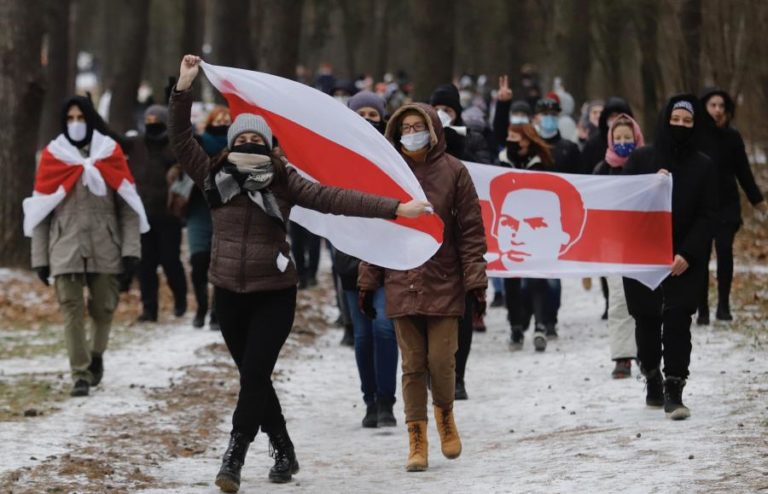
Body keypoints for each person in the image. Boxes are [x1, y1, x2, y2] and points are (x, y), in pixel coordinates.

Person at [170, 55, 430, 492]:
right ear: (232, 142)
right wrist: (183, 87)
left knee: (254, 375)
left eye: (258, 137)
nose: (250, 142)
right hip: (229, 292)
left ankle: (233, 456)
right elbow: (180, 140)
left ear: (269, 144)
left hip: (275, 293)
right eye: (243, 137)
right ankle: (284, 449)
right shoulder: (213, 176)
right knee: (255, 378)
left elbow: (335, 198)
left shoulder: (283, 180)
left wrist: (396, 209)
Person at [358, 103, 487, 472]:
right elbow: (376, 232)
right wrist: (368, 282)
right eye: (406, 127)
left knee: (441, 361)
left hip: (444, 279)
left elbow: (471, 232)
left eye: (419, 126)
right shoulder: (389, 174)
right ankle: (417, 438)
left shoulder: (455, 172)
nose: (412, 132)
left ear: (432, 130)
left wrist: (475, 282)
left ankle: (445, 417)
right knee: (413, 365)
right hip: (402, 279)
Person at [26, 95, 144, 397]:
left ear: (90, 120)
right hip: (64, 247)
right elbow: (40, 211)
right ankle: (79, 373)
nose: (75, 124)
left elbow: (128, 206)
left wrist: (131, 250)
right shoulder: (54, 156)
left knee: (104, 308)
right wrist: (40, 257)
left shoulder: (110, 153)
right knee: (71, 311)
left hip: (106, 245)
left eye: (80, 118)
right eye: (70, 118)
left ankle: (96, 355)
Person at [622, 95, 717, 421]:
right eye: (675, 118)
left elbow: (708, 215)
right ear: (665, 120)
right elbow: (623, 206)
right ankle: (651, 376)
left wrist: (688, 254)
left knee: (678, 320)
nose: (680, 125)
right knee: (646, 320)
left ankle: (675, 389)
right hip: (643, 257)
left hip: (684, 258)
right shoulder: (641, 160)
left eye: (687, 121)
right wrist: (649, 187)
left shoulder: (704, 165)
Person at [339, 90, 399, 428]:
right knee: (362, 335)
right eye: (359, 115)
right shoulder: (337, 155)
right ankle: (370, 399)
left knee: (384, 328)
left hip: (388, 256)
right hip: (350, 257)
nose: (367, 121)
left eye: (373, 116)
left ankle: (388, 401)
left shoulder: (393, 157)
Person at [430, 82, 492, 399]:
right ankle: (436, 371)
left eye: (449, 110)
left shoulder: (473, 140)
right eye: (438, 109)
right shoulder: (420, 143)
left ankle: (458, 376)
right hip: (431, 241)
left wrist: (457, 142)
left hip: (463, 239)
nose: (443, 115)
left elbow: (488, 170)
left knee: (464, 311)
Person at [695, 88, 766, 324]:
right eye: (713, 105)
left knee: (725, 251)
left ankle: (723, 305)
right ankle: (702, 307)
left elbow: (743, 171)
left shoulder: (732, 136)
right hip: (700, 205)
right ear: (704, 107)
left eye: (721, 106)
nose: (717, 110)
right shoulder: (694, 136)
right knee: (700, 257)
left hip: (727, 204)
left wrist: (758, 201)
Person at [594, 114, 646, 378]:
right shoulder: (602, 169)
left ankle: (647, 353)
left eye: (628, 138)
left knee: (646, 301)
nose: (624, 142)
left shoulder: (648, 163)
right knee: (618, 299)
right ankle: (623, 355)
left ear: (636, 138)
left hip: (643, 242)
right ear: (610, 139)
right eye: (619, 138)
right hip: (612, 244)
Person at [125, 104, 188, 322]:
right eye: (149, 122)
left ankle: (181, 299)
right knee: (145, 266)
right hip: (143, 218)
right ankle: (149, 310)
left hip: (169, 217)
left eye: (157, 122)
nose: (153, 126)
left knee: (171, 262)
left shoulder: (175, 146)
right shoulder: (136, 146)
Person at [187, 105, 231, 328]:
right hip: (198, 209)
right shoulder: (200, 142)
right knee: (198, 260)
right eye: (219, 117)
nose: (223, 120)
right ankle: (201, 306)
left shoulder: (237, 147)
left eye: (227, 117)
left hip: (226, 209)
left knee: (220, 264)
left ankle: (216, 311)